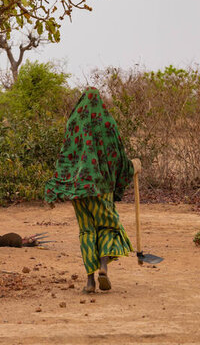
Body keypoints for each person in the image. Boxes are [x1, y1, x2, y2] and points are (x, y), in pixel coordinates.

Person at [44, 87, 137, 293]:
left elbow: (65, 157)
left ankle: (90, 281)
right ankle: (103, 267)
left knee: (86, 231)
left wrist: (56, 186)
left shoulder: (74, 123)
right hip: (102, 187)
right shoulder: (107, 124)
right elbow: (117, 155)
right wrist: (131, 167)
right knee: (107, 226)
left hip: (79, 190)